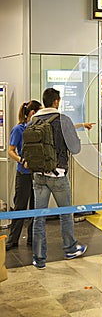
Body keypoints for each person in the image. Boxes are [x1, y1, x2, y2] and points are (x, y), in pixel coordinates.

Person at [31, 88, 87, 269]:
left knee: (38, 216)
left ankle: (39, 258)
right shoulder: (63, 120)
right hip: (58, 175)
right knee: (66, 213)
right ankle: (70, 247)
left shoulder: (34, 120)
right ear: (56, 102)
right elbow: (76, 148)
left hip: (38, 175)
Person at [6, 100, 42, 251]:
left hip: (37, 173)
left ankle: (32, 238)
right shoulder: (18, 129)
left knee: (35, 206)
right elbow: (11, 150)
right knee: (20, 206)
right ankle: (13, 239)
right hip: (23, 173)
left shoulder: (38, 129)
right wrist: (22, 160)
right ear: (32, 113)